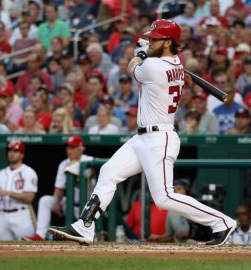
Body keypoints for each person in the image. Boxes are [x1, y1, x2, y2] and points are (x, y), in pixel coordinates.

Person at [48, 19, 237, 246]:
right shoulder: (173, 63)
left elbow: (132, 67)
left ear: (168, 42)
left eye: (155, 39)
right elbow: (153, 61)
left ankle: (222, 222)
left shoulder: (154, 67)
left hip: (160, 138)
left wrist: (140, 52)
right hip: (142, 137)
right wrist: (147, 51)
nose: (150, 41)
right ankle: (84, 227)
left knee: (164, 198)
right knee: (109, 171)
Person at [23, 135, 94, 241]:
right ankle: (40, 235)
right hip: (70, 204)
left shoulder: (89, 160)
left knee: (92, 237)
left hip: (88, 207)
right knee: (45, 200)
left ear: (81, 148)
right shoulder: (63, 164)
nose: (69, 150)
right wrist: (56, 202)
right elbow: (59, 187)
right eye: (68, 147)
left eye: (73, 147)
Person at [0, 140, 38, 240]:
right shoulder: (1, 173)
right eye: (10, 151)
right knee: (3, 252)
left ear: (22, 155)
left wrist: (9, 193)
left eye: (15, 151)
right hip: (2, 215)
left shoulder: (28, 172)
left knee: (27, 251)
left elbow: (29, 197)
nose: (11, 153)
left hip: (21, 215)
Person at [148, 179, 190, 243]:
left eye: (179, 189)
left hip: (198, 243)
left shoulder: (194, 207)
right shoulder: (172, 211)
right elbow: (170, 237)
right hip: (186, 247)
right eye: (174, 191)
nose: (176, 192)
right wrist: (157, 238)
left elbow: (184, 234)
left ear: (186, 191)